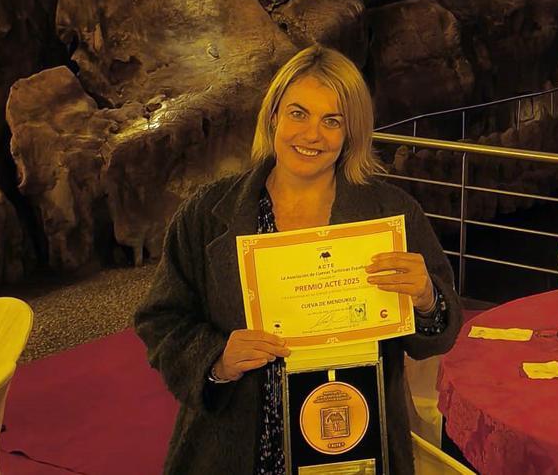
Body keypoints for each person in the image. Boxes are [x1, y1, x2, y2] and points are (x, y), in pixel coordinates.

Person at [134, 44, 463, 474]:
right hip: (235, 446)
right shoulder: (206, 214)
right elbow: (160, 318)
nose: (311, 135)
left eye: (332, 121)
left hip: (357, 447)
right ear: (272, 117)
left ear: (351, 133)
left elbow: (439, 330)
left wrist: (426, 298)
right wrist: (215, 359)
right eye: (298, 113)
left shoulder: (392, 212)